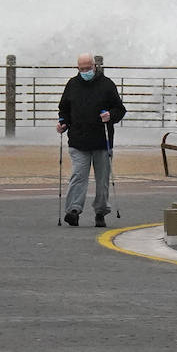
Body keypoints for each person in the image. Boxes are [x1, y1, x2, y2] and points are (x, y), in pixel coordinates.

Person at [56, 53, 127, 227]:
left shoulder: (106, 84)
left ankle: (100, 212)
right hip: (78, 140)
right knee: (78, 176)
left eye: (88, 68)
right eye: (82, 69)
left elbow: (120, 109)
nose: (85, 71)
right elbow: (64, 109)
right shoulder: (72, 84)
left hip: (102, 141)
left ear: (95, 66)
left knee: (102, 179)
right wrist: (62, 123)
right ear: (77, 68)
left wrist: (110, 115)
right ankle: (73, 210)